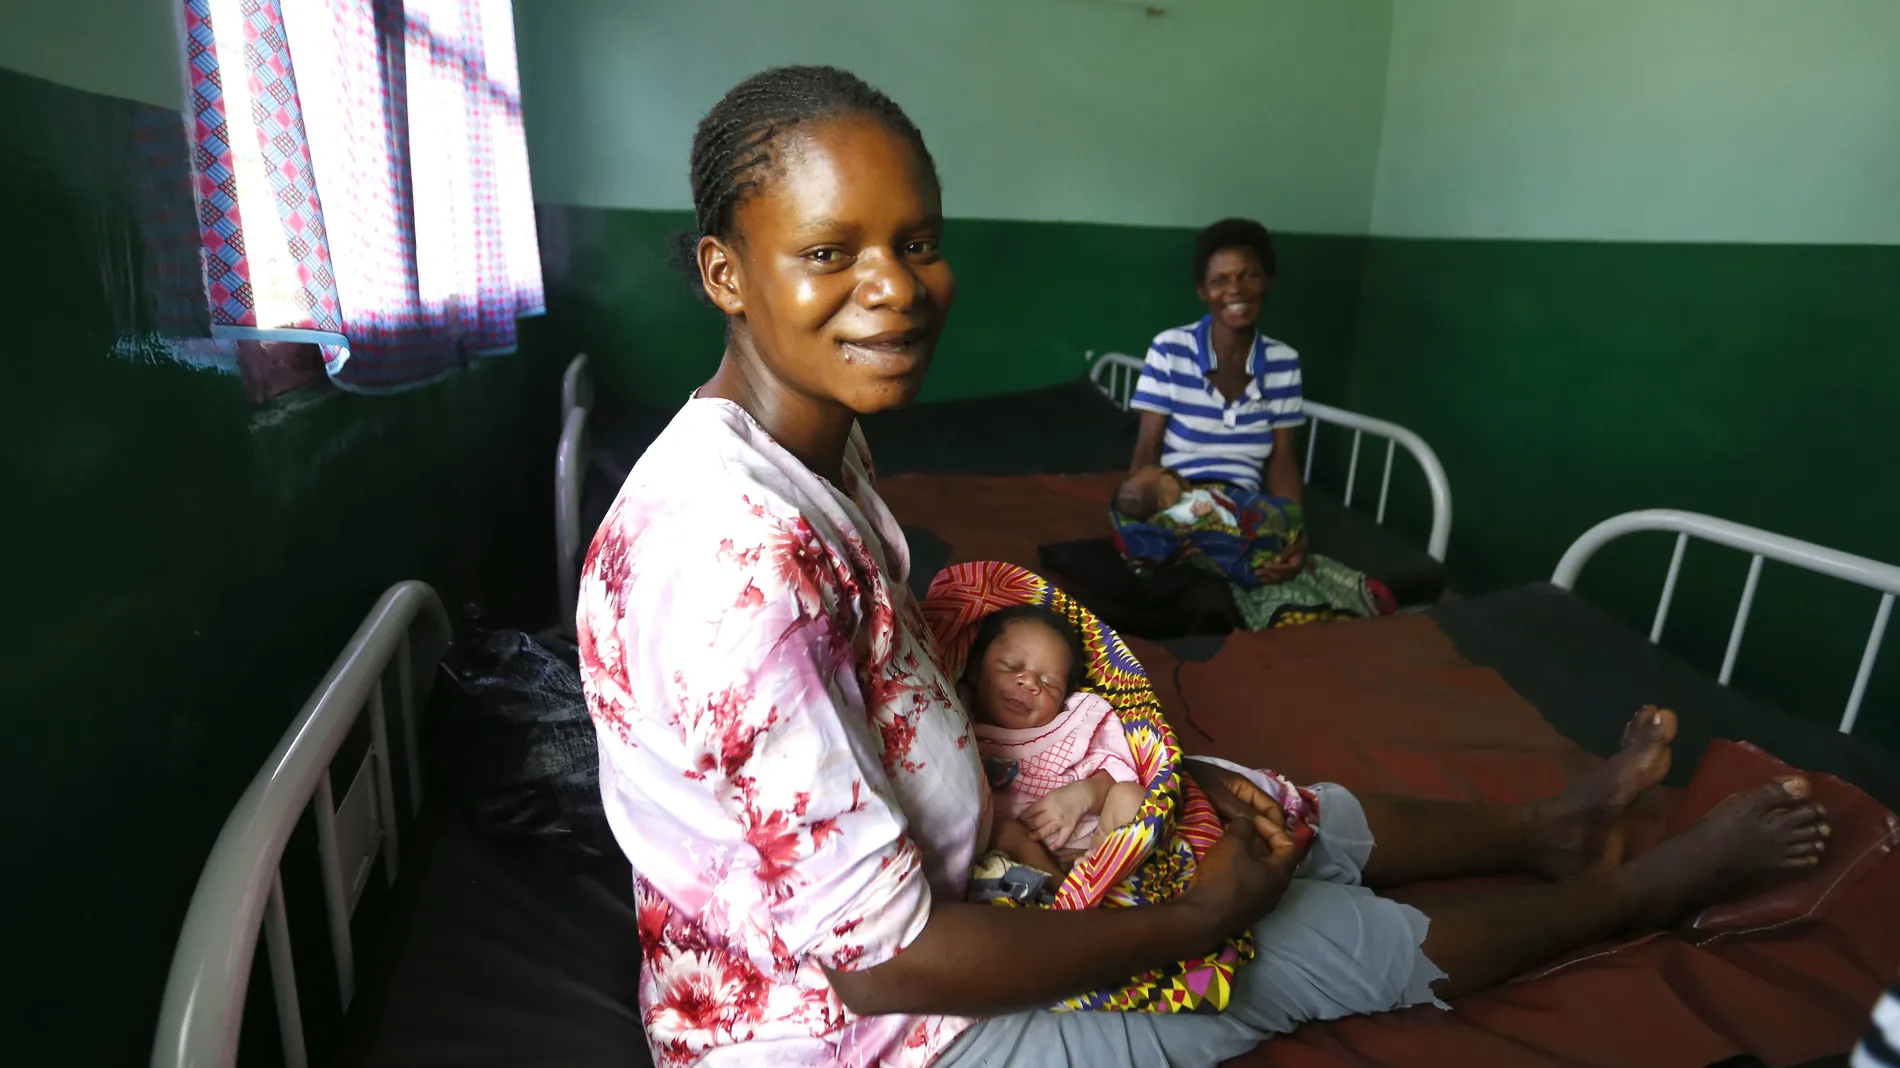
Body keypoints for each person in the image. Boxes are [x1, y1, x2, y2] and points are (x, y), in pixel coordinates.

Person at [577, 65, 1833, 1068]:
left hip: (955, 860)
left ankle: (1546, 828)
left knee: (1246, 798)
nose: (895, 290)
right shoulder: (734, 564)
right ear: (724, 273)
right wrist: (1196, 918)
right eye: (830, 252)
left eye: (917, 241)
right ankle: (1642, 893)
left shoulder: (798, 445)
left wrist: (1065, 789)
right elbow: (882, 963)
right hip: (857, 1029)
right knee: (1295, 943)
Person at [1129, 218, 1310, 584]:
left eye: (1249, 275)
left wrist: (1295, 532)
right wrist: (1142, 527)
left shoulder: (1283, 362)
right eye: (1220, 280)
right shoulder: (1169, 349)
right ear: (1202, 290)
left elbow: (1282, 460)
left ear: (1268, 281)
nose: (1236, 290)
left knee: (1278, 570)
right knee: (1187, 576)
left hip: (1244, 510)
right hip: (1179, 500)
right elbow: (1147, 449)